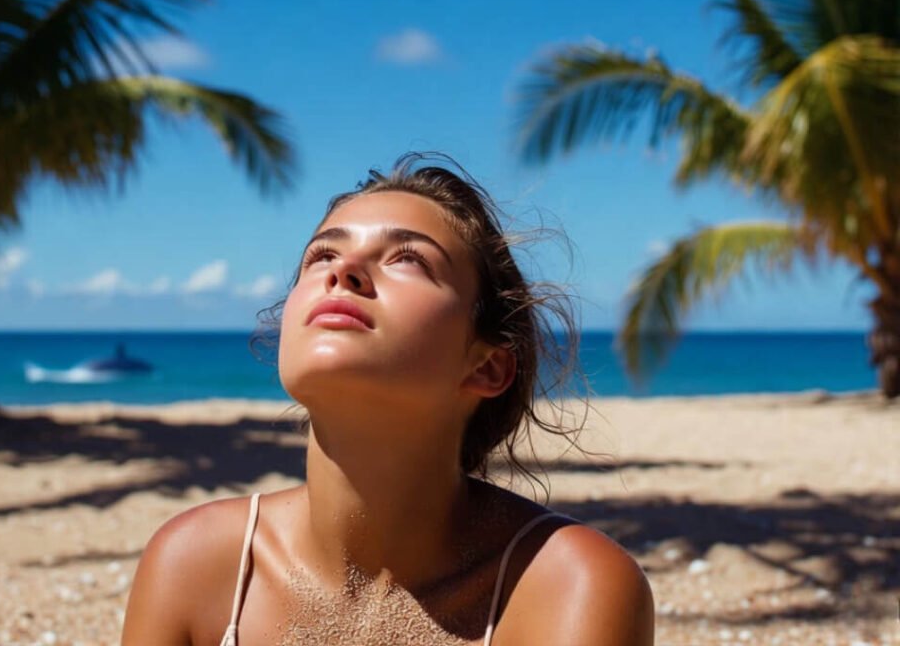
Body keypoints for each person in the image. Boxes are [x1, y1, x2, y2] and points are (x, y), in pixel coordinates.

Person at [122, 155, 654, 645]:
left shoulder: (562, 585)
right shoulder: (196, 565)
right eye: (322, 254)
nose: (343, 271)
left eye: (409, 260)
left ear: (487, 365)